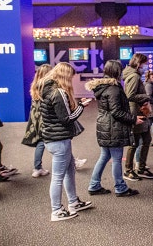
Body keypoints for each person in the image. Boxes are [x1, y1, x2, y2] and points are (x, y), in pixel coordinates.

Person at [39, 62, 93, 221]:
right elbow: (67, 119)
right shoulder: (59, 92)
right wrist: (82, 106)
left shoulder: (45, 89)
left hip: (53, 138)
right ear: (65, 76)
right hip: (59, 139)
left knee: (69, 170)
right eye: (70, 76)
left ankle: (73, 202)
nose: (72, 80)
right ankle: (56, 211)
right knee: (58, 177)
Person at [86, 60, 142, 197]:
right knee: (116, 159)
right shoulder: (114, 89)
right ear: (117, 72)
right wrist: (134, 119)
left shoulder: (104, 87)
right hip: (113, 128)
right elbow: (116, 112)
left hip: (105, 126)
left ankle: (94, 185)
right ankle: (120, 187)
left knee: (104, 156)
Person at [122, 53, 153, 180]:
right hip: (136, 112)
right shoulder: (134, 77)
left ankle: (141, 168)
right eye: (144, 64)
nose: (145, 67)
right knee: (134, 142)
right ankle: (128, 170)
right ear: (138, 64)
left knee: (146, 139)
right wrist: (146, 97)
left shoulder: (134, 75)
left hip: (140, 112)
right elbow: (130, 96)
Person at [22, 64, 52, 178]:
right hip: (45, 118)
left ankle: (37, 167)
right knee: (60, 140)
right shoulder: (46, 87)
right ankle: (37, 167)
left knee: (42, 142)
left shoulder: (36, 85)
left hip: (37, 119)